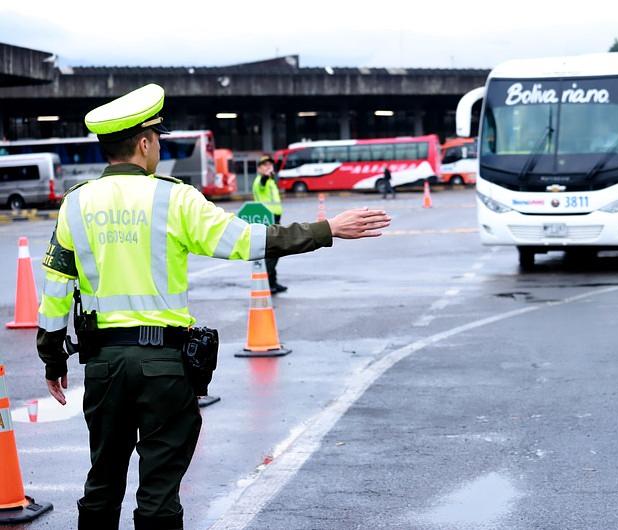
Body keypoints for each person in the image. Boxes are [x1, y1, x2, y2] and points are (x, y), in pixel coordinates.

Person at [35, 83, 390, 530]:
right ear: (144, 143)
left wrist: (52, 359)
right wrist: (326, 229)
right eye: (157, 138)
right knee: (159, 492)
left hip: (104, 367)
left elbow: (55, 290)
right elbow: (247, 241)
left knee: (103, 484)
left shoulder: (75, 204)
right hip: (164, 367)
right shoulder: (173, 198)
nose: (159, 146)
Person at [252, 154, 286, 293]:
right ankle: (267, 283)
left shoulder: (271, 181)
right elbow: (262, 184)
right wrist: (266, 175)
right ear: (259, 168)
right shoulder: (261, 180)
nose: (268, 167)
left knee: (274, 252)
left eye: (270, 165)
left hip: (274, 219)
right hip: (267, 220)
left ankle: (273, 282)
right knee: (272, 253)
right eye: (264, 165)